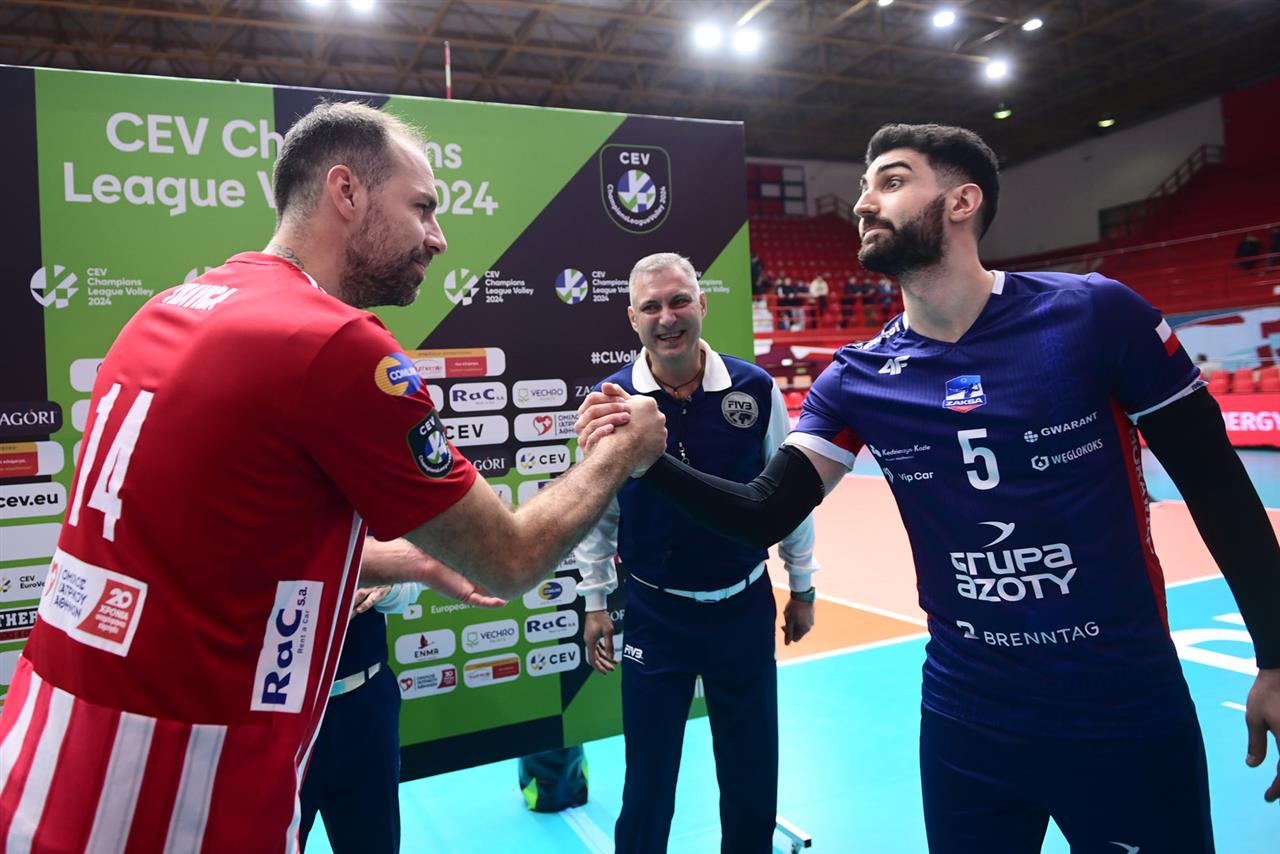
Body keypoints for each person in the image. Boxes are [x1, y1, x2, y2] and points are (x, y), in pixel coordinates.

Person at [578, 124, 1280, 853]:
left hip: (1121, 706)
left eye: (890, 181)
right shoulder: (856, 377)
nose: (862, 203)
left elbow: (1217, 483)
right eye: (863, 187)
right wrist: (650, 460)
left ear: (961, 201)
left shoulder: (1095, 314)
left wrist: (1276, 654)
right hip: (965, 719)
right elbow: (764, 512)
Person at [0, 101, 666, 853]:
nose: (438, 238)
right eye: (422, 208)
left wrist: (411, 560)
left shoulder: (168, 309)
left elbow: (223, 545)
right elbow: (511, 558)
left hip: (47, 753)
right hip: (178, 787)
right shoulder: (332, 344)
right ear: (346, 191)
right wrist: (621, 451)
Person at [575, 252, 819, 854]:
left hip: (744, 608)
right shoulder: (610, 404)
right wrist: (595, 600)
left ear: (702, 304)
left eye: (680, 300)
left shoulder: (754, 388)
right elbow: (597, 512)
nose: (668, 317)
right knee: (649, 781)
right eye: (652, 306)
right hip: (657, 617)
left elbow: (788, 497)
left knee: (752, 774)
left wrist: (803, 585)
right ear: (632, 318)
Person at [300, 540, 504, 853]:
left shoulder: (368, 511)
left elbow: (410, 583)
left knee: (375, 843)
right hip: (281, 711)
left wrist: (386, 586)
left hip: (366, 699)